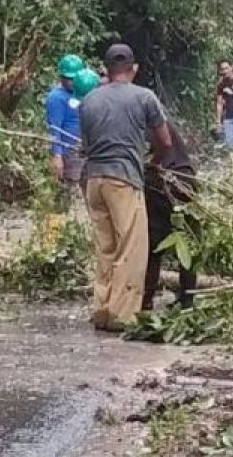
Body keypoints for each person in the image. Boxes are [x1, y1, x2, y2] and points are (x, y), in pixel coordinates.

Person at [79, 43, 171, 331]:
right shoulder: (144, 97)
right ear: (134, 69)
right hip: (124, 179)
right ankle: (123, 316)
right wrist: (152, 162)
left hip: (94, 180)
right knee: (131, 248)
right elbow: (165, 141)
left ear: (105, 70)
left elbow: (86, 145)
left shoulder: (88, 101)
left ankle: (102, 309)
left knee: (105, 247)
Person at [142, 123, 198, 312]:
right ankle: (187, 299)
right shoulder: (160, 122)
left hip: (162, 181)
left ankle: (146, 299)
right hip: (185, 180)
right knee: (187, 243)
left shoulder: (142, 124)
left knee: (153, 246)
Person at [46, 53, 87, 209]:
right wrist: (57, 155)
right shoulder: (56, 98)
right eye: (67, 78)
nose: (70, 82)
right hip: (69, 150)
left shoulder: (84, 91)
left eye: (73, 79)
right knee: (70, 189)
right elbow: (54, 127)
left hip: (84, 148)